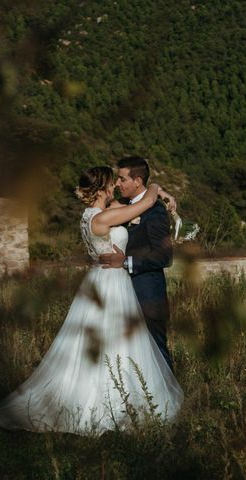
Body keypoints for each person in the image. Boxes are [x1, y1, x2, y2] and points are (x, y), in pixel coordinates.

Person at [0, 166, 183, 435]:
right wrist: (158, 190)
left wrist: (158, 191)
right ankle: (106, 400)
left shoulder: (92, 216)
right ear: (103, 188)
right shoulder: (102, 219)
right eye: (112, 183)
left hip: (103, 281)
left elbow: (137, 202)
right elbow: (148, 201)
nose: (116, 187)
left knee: (113, 342)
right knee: (111, 341)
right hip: (109, 284)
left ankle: (122, 391)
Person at [99, 156, 175, 371]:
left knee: (156, 352)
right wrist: (158, 189)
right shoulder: (123, 206)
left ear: (137, 181)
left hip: (147, 293)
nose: (117, 184)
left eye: (122, 179)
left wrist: (126, 262)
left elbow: (165, 255)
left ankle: (169, 401)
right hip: (120, 293)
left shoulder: (156, 211)